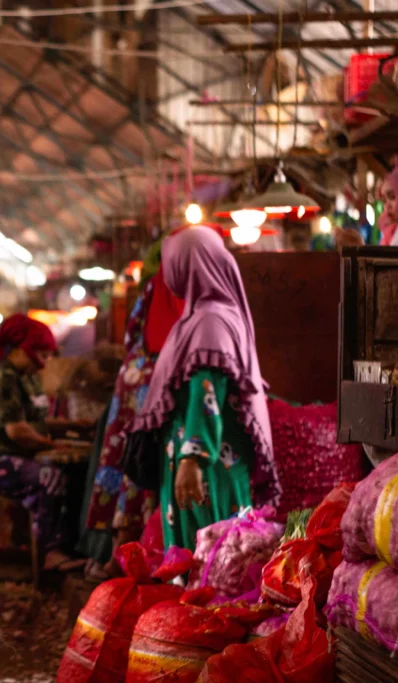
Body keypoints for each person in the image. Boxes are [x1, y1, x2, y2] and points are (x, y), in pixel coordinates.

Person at [128, 226, 280, 551]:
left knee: (208, 570)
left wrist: (192, 460)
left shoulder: (210, 321)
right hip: (201, 465)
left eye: (173, 261)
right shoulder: (205, 316)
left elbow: (205, 394)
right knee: (207, 571)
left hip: (207, 470)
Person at [84, 234, 185, 580]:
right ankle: (138, 559)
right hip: (161, 382)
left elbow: (131, 335)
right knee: (148, 469)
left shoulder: (151, 289)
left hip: (133, 378)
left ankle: (117, 556)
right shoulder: (191, 290)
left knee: (127, 464)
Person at [0, 313, 83, 571]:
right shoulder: (4, 377)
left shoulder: (29, 377)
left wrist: (74, 426)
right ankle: (50, 553)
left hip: (18, 459)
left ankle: (58, 545)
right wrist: (52, 445)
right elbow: (17, 431)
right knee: (51, 477)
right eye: (41, 355)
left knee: (74, 474)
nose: (44, 364)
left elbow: (36, 422)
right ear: (23, 349)